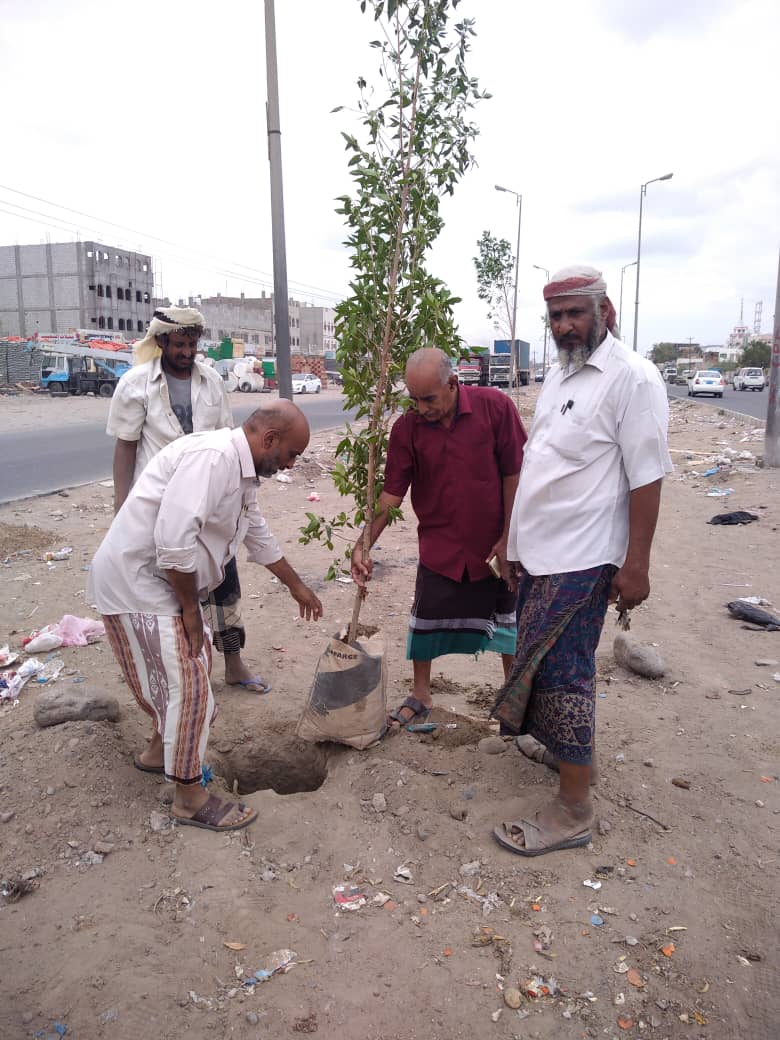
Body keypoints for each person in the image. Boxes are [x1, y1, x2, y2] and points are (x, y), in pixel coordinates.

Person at [492, 265, 673, 857]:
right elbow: (543, 465)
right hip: (540, 554)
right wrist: (511, 541)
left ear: (605, 313)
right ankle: (567, 758)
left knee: (568, 676)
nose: (565, 325)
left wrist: (636, 565)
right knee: (540, 667)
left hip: (584, 557)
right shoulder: (561, 376)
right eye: (556, 317)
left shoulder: (633, 378)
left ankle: (573, 810)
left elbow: (647, 477)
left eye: (575, 313)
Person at [89, 403, 323, 832]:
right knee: (190, 682)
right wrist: (191, 610)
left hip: (161, 584)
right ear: (269, 439)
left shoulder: (241, 471)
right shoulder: (213, 459)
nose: (291, 464)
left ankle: (159, 752)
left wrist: (295, 584)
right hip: (141, 582)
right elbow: (173, 540)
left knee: (181, 673)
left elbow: (256, 533)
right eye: (291, 454)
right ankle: (189, 797)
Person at [351, 347, 527, 726]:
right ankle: (421, 692)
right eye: (413, 399)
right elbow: (392, 493)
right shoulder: (407, 429)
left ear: (453, 383)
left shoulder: (495, 408)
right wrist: (364, 542)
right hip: (440, 545)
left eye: (428, 399)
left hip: (494, 543)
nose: (421, 408)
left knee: (507, 619)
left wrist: (508, 537)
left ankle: (513, 696)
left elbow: (516, 472)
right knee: (426, 619)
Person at [108, 306, 269, 694]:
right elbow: (125, 448)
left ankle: (233, 662)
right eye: (179, 344)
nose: (186, 351)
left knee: (225, 586)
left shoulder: (212, 381)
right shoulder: (135, 384)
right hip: (162, 504)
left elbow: (228, 440)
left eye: (192, 344)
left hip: (211, 499)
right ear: (161, 341)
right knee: (174, 592)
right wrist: (121, 506)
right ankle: (185, 672)